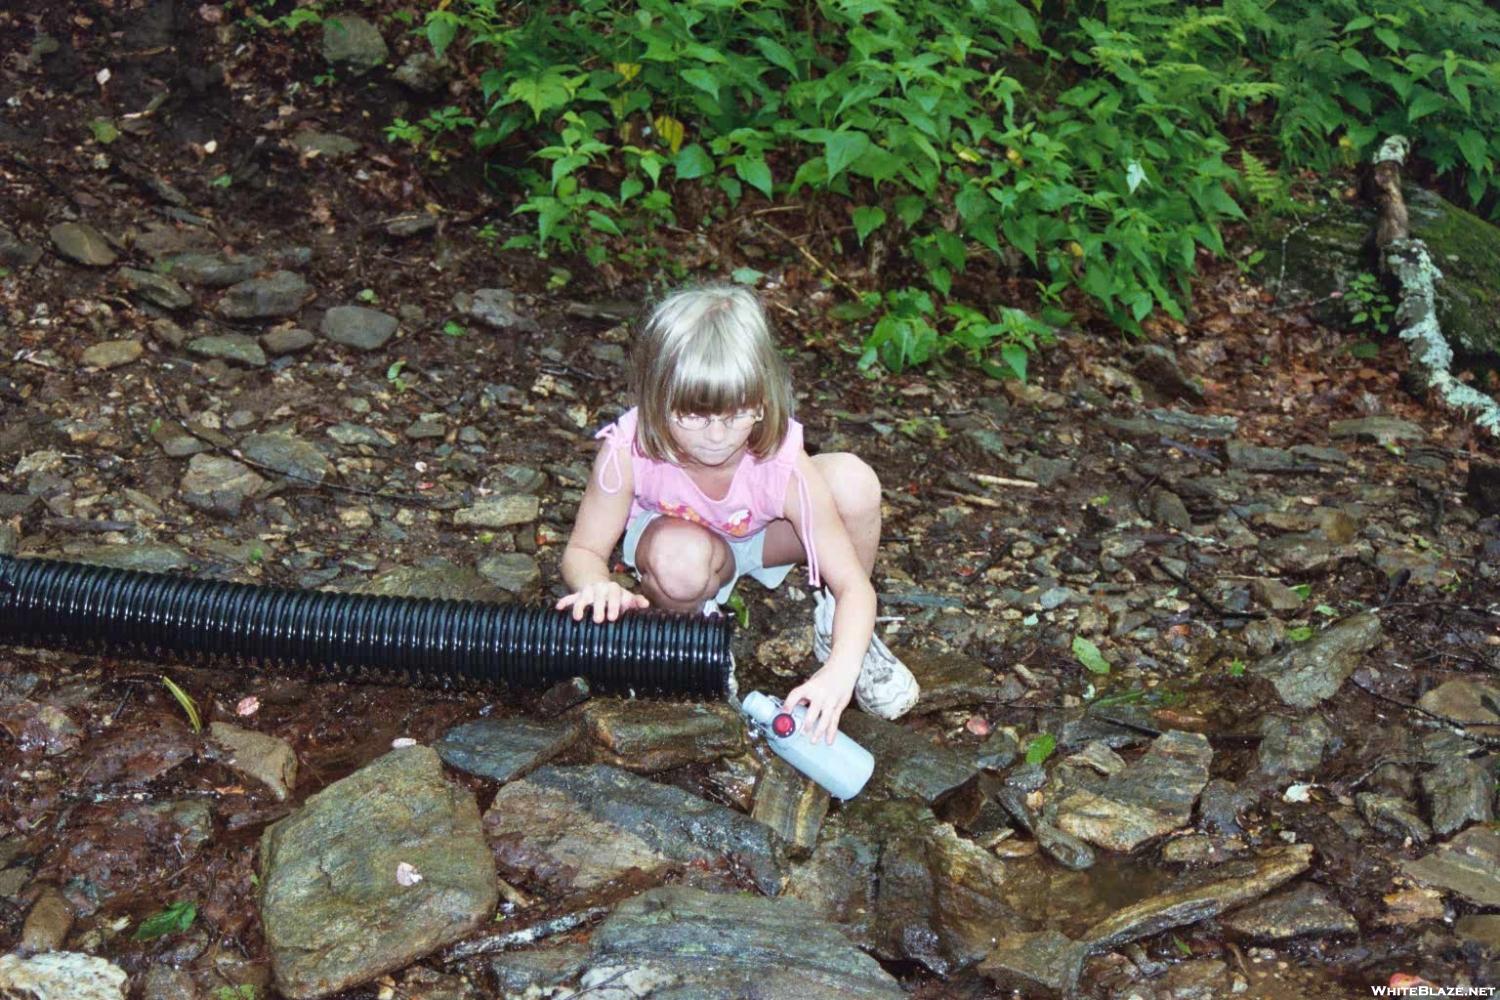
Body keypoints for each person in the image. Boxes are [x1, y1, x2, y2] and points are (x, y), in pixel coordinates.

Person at [555, 284, 919, 743]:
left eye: (735, 415)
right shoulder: (627, 449)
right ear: (655, 399)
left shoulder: (781, 462)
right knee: (679, 561)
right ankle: (692, 637)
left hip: (758, 535)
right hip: (677, 537)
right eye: (693, 416)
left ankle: (842, 635)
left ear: (762, 401)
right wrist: (597, 585)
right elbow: (583, 550)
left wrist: (839, 672)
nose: (716, 436)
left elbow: (855, 585)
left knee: (855, 483)